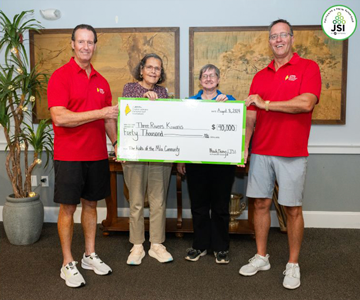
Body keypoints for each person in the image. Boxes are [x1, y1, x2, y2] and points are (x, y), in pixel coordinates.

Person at [238, 19, 321, 290]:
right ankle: (262, 256)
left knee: (292, 209)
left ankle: (293, 264)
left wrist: (268, 104)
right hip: (261, 150)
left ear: (292, 39)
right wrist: (244, 147)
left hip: (292, 152)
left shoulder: (308, 68)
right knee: (260, 205)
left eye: (283, 35)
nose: (278, 40)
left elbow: (306, 103)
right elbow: (251, 116)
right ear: (270, 41)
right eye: (274, 36)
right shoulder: (260, 75)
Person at [47, 24, 118, 288]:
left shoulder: (102, 81)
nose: (86, 46)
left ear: (95, 45)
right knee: (68, 208)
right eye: (81, 41)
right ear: (73, 44)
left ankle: (89, 255)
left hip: (97, 154)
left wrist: (116, 142)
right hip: (69, 156)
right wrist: (100, 113)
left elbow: (109, 119)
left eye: (90, 42)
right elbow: (60, 117)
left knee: (91, 205)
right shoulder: (61, 76)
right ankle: (68, 262)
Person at [177, 64, 236, 264]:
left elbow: (237, 130)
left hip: (222, 164)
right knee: (199, 206)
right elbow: (183, 133)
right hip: (196, 163)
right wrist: (181, 159)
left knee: (220, 206)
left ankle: (221, 248)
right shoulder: (190, 103)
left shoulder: (230, 101)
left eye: (212, 75)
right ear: (200, 80)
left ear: (218, 80)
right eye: (205, 75)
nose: (209, 78)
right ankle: (200, 245)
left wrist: (225, 106)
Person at [122, 53, 173, 265]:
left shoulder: (164, 93)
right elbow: (125, 116)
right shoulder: (129, 89)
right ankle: (136, 245)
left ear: (161, 73)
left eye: (157, 68)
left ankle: (156, 244)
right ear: (141, 69)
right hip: (135, 153)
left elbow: (171, 122)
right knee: (135, 201)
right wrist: (141, 101)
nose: (153, 71)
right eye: (149, 67)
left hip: (160, 154)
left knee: (158, 200)